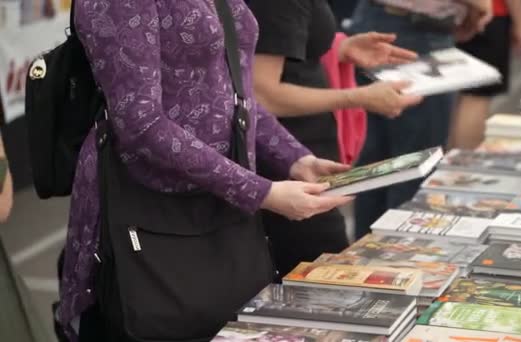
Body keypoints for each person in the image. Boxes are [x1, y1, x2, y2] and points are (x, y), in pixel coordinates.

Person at [59, 0, 353, 340]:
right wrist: (260, 192)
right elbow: (139, 122)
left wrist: (295, 159)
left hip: (221, 210)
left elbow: (233, 98)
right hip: (150, 213)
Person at [248, 0, 423, 277]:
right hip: (288, 166)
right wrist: (359, 97)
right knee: (322, 278)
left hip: (300, 160)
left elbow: (279, 46)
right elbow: (262, 94)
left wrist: (340, 48)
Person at [349, 0, 493, 239]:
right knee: (414, 165)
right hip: (414, 31)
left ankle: (367, 257)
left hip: (385, 20)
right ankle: (394, 254)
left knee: (376, 165)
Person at [450, 0, 521, 149]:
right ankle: (465, 160)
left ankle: (455, 157)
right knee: (477, 96)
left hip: (461, 13)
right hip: (487, 15)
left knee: (463, 96)